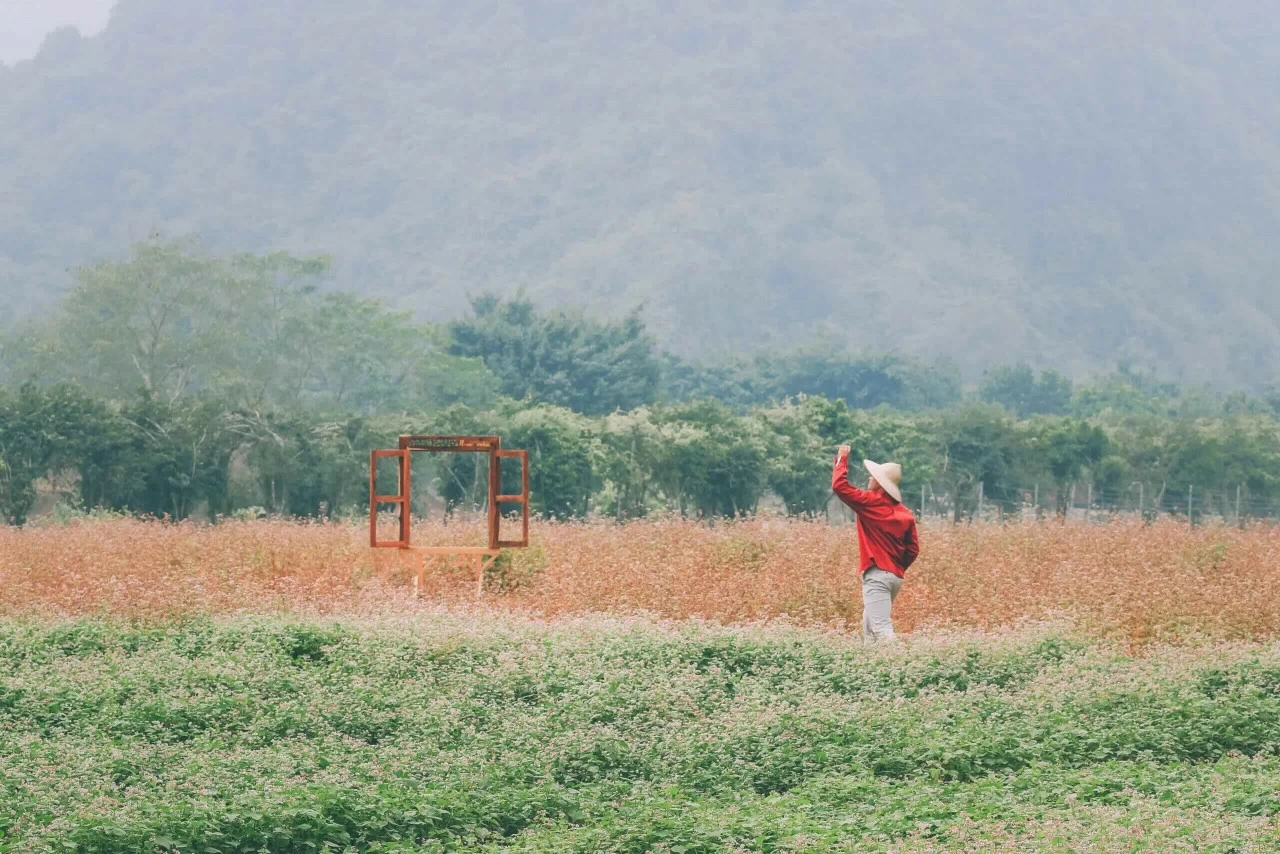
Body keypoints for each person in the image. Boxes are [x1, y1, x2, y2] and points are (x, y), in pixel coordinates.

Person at [831, 444, 920, 641]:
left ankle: (904, 659)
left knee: (881, 630)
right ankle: (874, 661)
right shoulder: (905, 513)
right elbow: (913, 549)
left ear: (880, 483)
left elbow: (839, 487)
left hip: (877, 575)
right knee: (870, 633)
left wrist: (842, 458)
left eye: (873, 476)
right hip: (895, 578)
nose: (869, 478)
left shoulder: (870, 502)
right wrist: (896, 567)